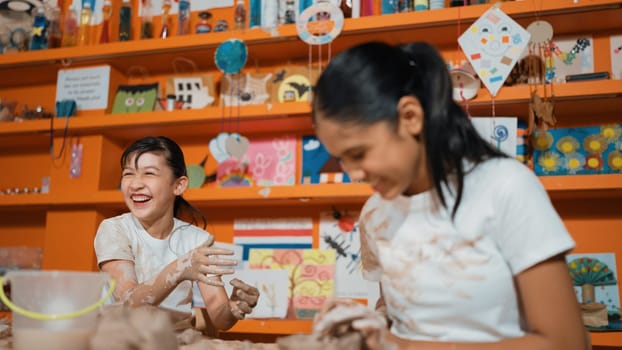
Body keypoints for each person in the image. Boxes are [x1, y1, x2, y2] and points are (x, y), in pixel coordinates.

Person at [311, 41, 587, 349]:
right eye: (341, 159)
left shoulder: (505, 188)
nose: (354, 173)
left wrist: (404, 346)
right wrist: (369, 326)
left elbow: (567, 342)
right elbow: (400, 313)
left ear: (410, 117)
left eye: (359, 153)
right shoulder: (375, 213)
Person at [94, 136, 259, 331]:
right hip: (121, 337)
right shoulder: (114, 229)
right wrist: (179, 269)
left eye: (149, 173)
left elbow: (220, 318)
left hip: (175, 340)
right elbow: (128, 304)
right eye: (128, 174)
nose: (135, 184)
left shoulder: (197, 240)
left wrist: (233, 307)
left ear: (178, 185)